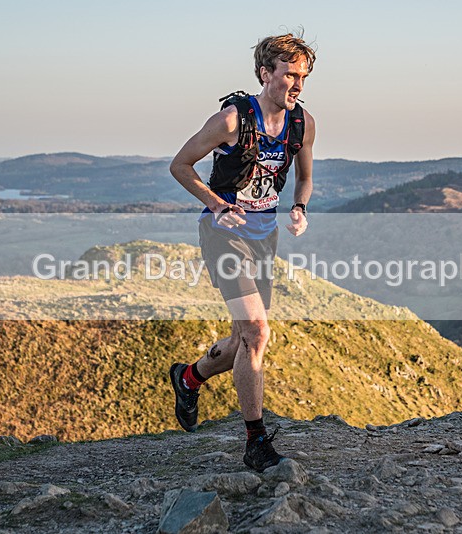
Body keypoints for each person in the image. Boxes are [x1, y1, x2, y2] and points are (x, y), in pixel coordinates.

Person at [169, 32, 316, 472]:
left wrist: (300, 207)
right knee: (257, 332)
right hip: (223, 234)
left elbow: (305, 177)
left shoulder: (303, 123)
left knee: (242, 340)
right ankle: (256, 442)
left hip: (264, 236)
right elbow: (180, 165)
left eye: (303, 77)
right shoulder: (232, 120)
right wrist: (216, 203)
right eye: (289, 74)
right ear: (264, 73)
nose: (297, 85)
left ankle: (189, 377)